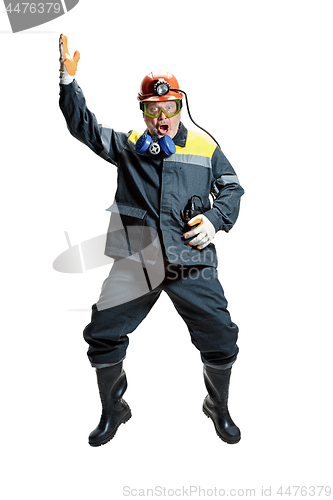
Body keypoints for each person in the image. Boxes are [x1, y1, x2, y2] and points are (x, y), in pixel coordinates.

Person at [59, 34, 245, 447]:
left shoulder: (204, 146)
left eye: (169, 107)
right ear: (143, 111)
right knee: (103, 331)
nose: (162, 116)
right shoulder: (128, 145)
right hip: (137, 260)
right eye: (152, 109)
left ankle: (218, 405)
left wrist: (215, 220)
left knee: (221, 335)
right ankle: (114, 409)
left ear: (180, 107)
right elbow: (83, 127)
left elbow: (233, 189)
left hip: (191, 259)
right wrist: (68, 84)